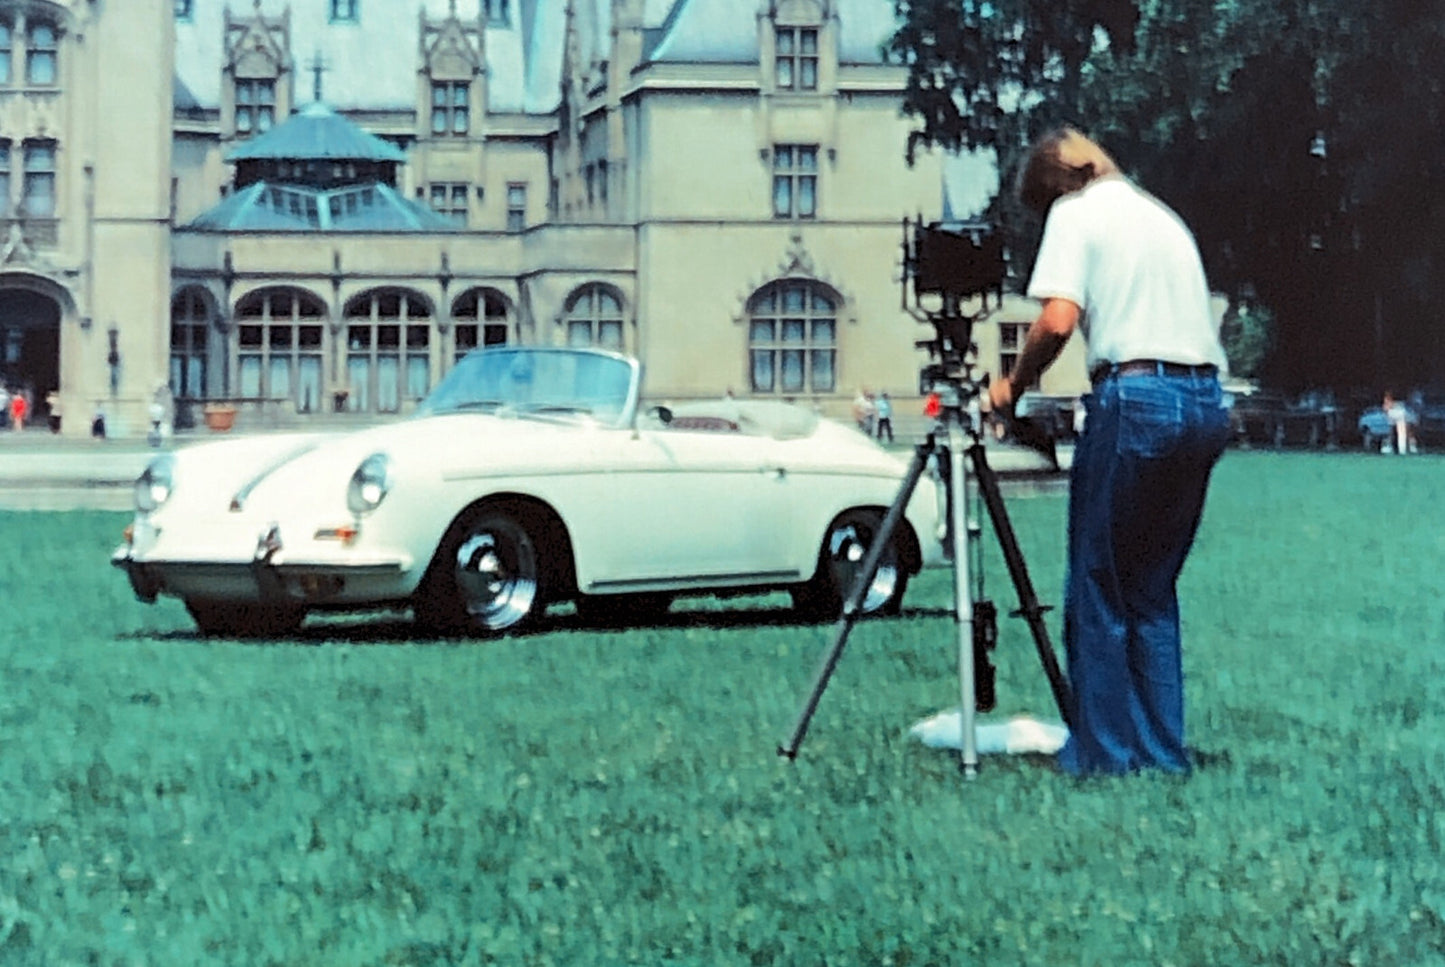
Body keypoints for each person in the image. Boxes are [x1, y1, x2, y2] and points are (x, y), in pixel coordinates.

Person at [989, 126, 1231, 776]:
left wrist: (1013, 385)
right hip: (1205, 401)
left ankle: (1103, 755)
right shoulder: (1163, 219)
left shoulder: (1075, 214)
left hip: (1136, 397)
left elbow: (1057, 318)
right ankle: (1161, 753)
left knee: (1097, 584)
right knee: (1150, 589)